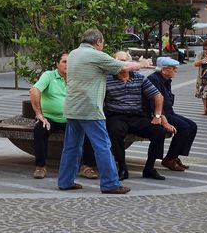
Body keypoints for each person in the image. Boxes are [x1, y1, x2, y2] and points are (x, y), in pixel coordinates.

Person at [57, 29, 152, 195]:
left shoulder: (73, 53)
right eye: (103, 43)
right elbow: (124, 66)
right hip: (90, 109)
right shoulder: (96, 55)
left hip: (72, 107)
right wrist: (142, 64)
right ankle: (110, 184)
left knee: (71, 147)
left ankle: (65, 181)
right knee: (103, 146)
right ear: (98, 41)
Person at [104, 51, 170, 181]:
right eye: (119, 60)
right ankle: (122, 168)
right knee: (115, 131)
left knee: (159, 131)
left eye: (124, 60)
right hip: (116, 115)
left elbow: (158, 97)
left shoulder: (139, 78)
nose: (122, 63)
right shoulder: (107, 79)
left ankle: (149, 168)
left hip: (137, 116)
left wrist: (157, 116)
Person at [30, 52, 98, 179]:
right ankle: (40, 166)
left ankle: (87, 167)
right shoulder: (49, 76)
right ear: (57, 64)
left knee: (90, 129)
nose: (68, 65)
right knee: (39, 129)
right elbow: (35, 90)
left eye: (70, 62)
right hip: (50, 118)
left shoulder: (77, 77)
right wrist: (39, 114)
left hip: (72, 118)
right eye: (65, 62)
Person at [147, 56, 197, 172]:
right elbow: (154, 102)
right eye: (173, 68)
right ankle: (169, 158)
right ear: (164, 69)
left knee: (193, 126)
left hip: (169, 111)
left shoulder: (166, 80)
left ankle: (175, 156)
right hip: (159, 113)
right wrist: (163, 120)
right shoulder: (154, 79)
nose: (176, 71)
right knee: (184, 128)